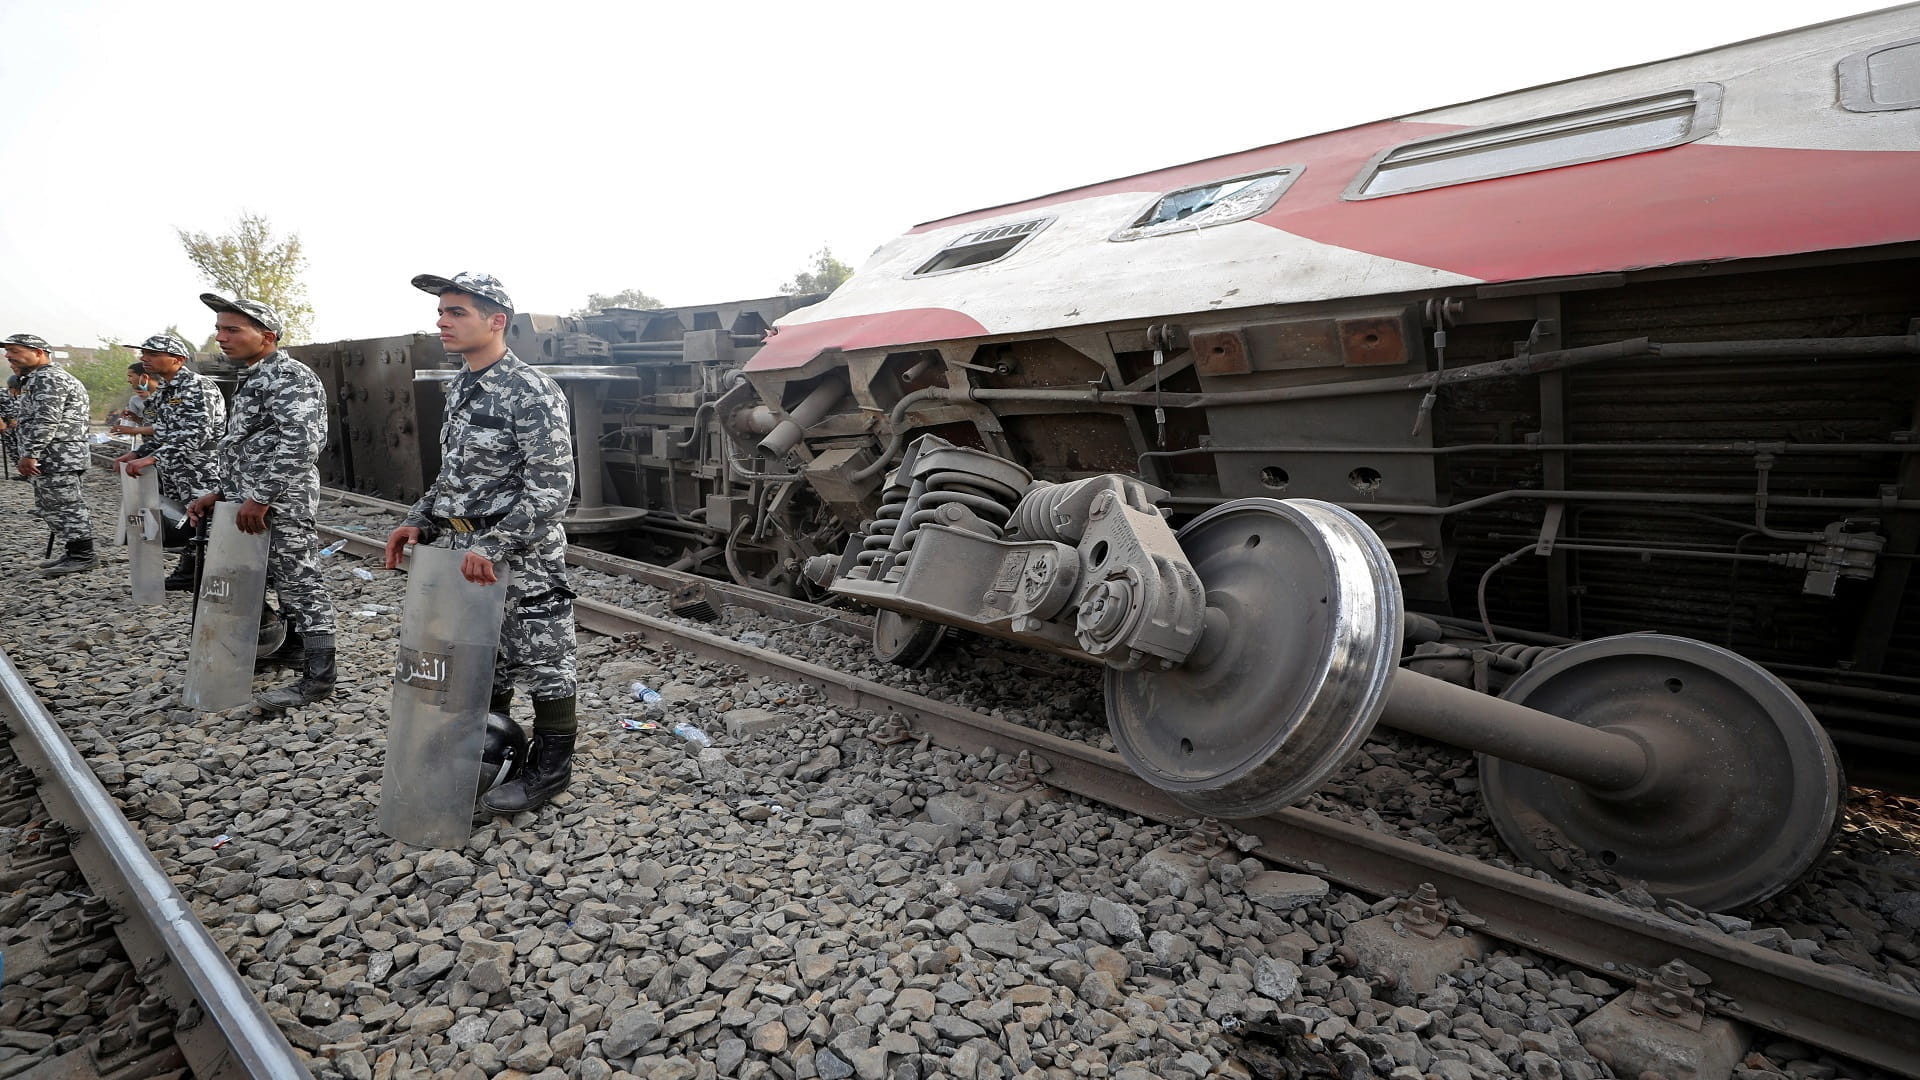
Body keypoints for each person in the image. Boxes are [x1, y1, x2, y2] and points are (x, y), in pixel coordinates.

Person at [383, 272, 579, 814]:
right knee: (478, 655)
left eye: (456, 312)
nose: (442, 321)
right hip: (460, 551)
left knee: (544, 658)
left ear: (497, 322)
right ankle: (482, 751)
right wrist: (418, 519)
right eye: (442, 312)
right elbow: (454, 477)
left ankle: (551, 769)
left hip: (522, 555)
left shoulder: (531, 390)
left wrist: (494, 544)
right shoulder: (461, 386)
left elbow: (553, 488)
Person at [184, 296, 336, 710]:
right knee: (273, 578)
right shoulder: (255, 376)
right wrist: (221, 493)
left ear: (266, 337)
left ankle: (320, 678)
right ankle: (295, 647)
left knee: (301, 583)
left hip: (280, 503)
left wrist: (262, 496)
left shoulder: (289, 376)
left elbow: (302, 442)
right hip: (252, 500)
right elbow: (250, 447)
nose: (221, 337)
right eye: (219, 329)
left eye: (233, 330)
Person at [114, 333, 226, 590]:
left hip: (199, 466)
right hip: (174, 467)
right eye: (144, 354)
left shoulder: (198, 386)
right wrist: (137, 454)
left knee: (206, 520)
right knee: (184, 519)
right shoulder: (165, 389)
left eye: (152, 354)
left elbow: (196, 433)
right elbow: (162, 431)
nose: (145, 359)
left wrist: (153, 457)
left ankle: (216, 577)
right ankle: (189, 573)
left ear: (177, 359)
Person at [6, 333, 98, 576]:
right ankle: (73, 551)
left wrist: (30, 453)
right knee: (53, 506)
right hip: (54, 455)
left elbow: (47, 420)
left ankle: (83, 555)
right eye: (8, 352)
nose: (8, 356)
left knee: (67, 506)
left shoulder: (49, 379)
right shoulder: (36, 378)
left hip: (58, 455)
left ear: (38, 352)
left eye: (15, 351)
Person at [106, 362, 155, 440]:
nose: (128, 380)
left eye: (130, 376)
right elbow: (151, 424)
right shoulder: (145, 399)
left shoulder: (167, 396)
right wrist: (136, 418)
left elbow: (167, 428)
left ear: (144, 377)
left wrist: (133, 430)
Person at [0, 371, 24, 479]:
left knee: (25, 449)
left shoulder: (26, 393)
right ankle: (23, 472)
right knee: (13, 449)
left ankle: (29, 471)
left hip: (22, 427)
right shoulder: (2, 393)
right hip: (8, 427)